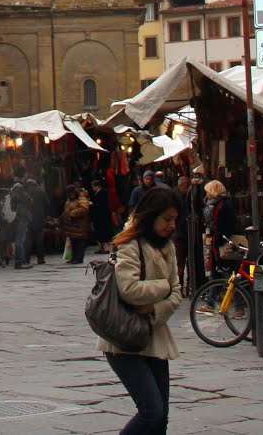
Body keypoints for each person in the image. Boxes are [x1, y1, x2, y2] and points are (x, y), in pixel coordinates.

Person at [98, 185, 182, 435]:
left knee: (161, 417)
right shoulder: (130, 242)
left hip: (155, 337)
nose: (172, 226)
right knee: (151, 412)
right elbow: (129, 289)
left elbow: (177, 294)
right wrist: (163, 286)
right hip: (125, 339)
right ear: (151, 216)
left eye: (175, 220)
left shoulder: (168, 246)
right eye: (167, 219)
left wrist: (157, 307)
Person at [204, 179, 240, 271]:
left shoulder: (223, 206)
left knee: (223, 270)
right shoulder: (218, 204)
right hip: (218, 242)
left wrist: (219, 240)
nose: (206, 195)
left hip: (223, 243)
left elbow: (225, 226)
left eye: (207, 192)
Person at [61, 184, 92, 263]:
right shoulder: (69, 200)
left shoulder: (81, 198)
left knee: (79, 243)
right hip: (71, 226)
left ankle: (79, 258)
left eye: (70, 194)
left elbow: (84, 208)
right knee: (73, 242)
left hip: (79, 225)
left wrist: (72, 213)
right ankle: (74, 257)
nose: (68, 196)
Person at [8, 177, 34, 268]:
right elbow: (30, 200)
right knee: (20, 240)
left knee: (19, 240)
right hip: (22, 217)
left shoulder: (13, 194)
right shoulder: (20, 190)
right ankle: (20, 261)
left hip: (18, 217)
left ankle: (20, 261)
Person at [26, 176, 50, 265]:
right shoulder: (41, 191)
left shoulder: (25, 191)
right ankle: (40, 259)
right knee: (39, 239)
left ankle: (26, 259)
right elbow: (47, 204)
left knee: (27, 239)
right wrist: (46, 215)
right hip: (39, 218)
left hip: (28, 218)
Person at [89, 177, 116, 254]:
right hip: (99, 217)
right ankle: (102, 248)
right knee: (100, 233)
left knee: (103, 233)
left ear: (97, 186)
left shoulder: (103, 192)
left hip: (103, 217)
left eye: (93, 186)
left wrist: (92, 204)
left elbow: (101, 205)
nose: (92, 188)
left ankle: (105, 248)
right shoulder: (98, 193)